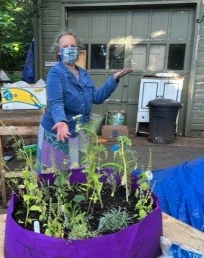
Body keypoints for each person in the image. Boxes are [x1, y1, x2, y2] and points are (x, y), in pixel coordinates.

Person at [36, 29, 132, 173]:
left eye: (73, 46)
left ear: (79, 49)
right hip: (58, 131)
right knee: (53, 173)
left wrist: (113, 79)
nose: (70, 49)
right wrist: (61, 121)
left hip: (79, 130)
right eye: (65, 47)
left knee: (76, 172)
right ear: (58, 52)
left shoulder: (83, 74)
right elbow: (56, 102)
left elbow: (97, 97)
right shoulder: (56, 73)